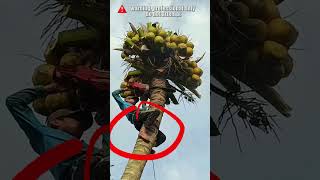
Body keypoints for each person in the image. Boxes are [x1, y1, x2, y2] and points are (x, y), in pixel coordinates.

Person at [6, 83, 108, 180]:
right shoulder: (44, 135)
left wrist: (104, 114)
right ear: (56, 122)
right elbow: (14, 102)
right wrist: (47, 89)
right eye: (75, 118)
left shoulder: (85, 148)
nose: (80, 124)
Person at [112, 82, 166, 148]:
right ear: (126, 99)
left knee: (162, 137)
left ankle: (150, 146)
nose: (134, 100)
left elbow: (145, 109)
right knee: (155, 112)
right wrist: (124, 89)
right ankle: (146, 127)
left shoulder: (137, 108)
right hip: (135, 117)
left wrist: (145, 98)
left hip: (139, 124)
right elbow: (114, 94)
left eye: (134, 99)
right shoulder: (123, 104)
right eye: (132, 99)